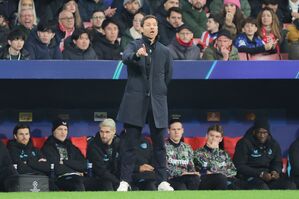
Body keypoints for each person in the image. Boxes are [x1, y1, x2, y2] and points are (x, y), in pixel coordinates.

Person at [116, 15, 173, 191]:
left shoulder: (165, 51)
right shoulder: (134, 45)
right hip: (135, 103)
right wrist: (136, 55)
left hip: (157, 103)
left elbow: (168, 76)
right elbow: (125, 58)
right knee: (129, 145)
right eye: (148, 25)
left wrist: (159, 90)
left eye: (154, 25)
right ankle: (125, 181)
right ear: (141, 28)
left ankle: (162, 180)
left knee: (159, 145)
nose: (152, 27)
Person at [233, 119, 296, 190]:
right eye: (259, 132)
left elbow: (277, 162)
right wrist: (260, 174)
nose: (262, 135)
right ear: (254, 132)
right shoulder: (244, 143)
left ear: (268, 133)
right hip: (250, 176)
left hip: (269, 177)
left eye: (265, 133)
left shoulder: (273, 144)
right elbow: (239, 166)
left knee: (289, 185)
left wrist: (275, 171)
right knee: (262, 187)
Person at [42, 119, 88, 191]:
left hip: (78, 177)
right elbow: (55, 168)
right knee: (77, 183)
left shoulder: (71, 147)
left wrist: (64, 162)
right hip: (60, 179)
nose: (63, 132)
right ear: (54, 131)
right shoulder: (48, 147)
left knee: (101, 183)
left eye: (65, 130)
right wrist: (76, 169)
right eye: (60, 129)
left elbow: (84, 165)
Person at [194, 124, 238, 190]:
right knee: (221, 178)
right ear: (206, 136)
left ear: (221, 139)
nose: (213, 138)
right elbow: (206, 170)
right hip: (206, 182)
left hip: (225, 180)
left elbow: (233, 171)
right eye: (211, 135)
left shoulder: (224, 154)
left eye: (217, 137)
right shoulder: (198, 153)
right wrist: (213, 151)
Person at [165, 118, 200, 190]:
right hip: (170, 179)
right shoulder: (163, 147)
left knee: (195, 178)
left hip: (186, 177)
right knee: (181, 186)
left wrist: (193, 173)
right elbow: (163, 168)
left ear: (182, 131)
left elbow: (191, 167)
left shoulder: (187, 147)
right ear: (168, 131)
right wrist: (181, 173)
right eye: (173, 129)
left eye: (178, 129)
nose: (176, 132)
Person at [86, 118, 121, 191]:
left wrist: (123, 181)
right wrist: (118, 182)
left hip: (115, 178)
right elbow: (100, 170)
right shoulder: (93, 145)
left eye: (107, 132)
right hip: (98, 179)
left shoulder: (119, 143)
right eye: (101, 132)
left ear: (114, 131)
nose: (104, 135)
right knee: (107, 183)